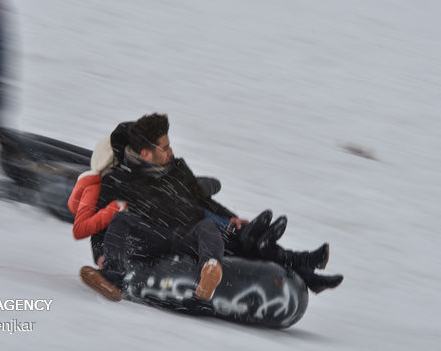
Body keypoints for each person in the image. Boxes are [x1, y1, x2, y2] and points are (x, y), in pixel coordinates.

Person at [76, 114, 343, 301]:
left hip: (182, 232)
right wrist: (100, 252)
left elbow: (202, 203)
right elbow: (102, 222)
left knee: (233, 235)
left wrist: (231, 219)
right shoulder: (116, 181)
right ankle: (110, 275)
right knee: (130, 220)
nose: (169, 152)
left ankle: (304, 268)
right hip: (147, 237)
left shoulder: (168, 173)